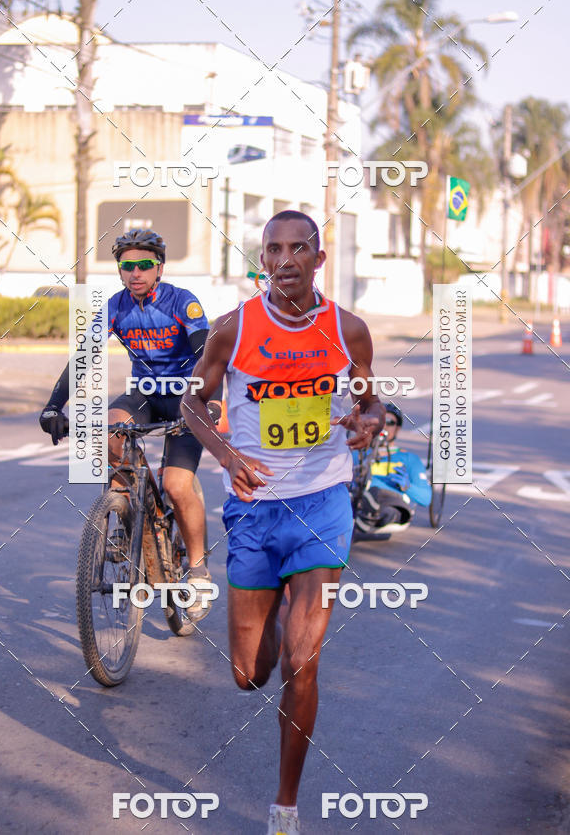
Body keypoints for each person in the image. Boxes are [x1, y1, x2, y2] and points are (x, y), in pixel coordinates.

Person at [181, 210, 385, 834]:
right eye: (275, 249)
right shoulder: (231, 329)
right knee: (250, 674)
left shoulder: (348, 329)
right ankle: (263, 620)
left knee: (304, 661)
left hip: (322, 501)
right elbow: (193, 400)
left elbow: (370, 396)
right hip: (252, 509)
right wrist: (226, 452)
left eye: (300, 248)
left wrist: (368, 420)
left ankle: (284, 807)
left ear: (318, 260)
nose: (287, 259)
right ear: (263, 259)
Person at [39, 228, 221, 621]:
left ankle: (198, 570)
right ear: (120, 271)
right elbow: (84, 357)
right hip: (143, 393)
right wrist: (55, 405)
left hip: (186, 397)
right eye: (127, 266)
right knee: (111, 432)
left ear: (159, 268)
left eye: (144, 265)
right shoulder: (115, 306)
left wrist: (214, 398)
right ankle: (122, 512)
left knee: (175, 483)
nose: (135, 273)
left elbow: (205, 352)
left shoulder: (181, 301)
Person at [353, 401, 431, 541]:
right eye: (380, 421)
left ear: (398, 429)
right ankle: (363, 516)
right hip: (357, 498)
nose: (384, 426)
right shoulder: (356, 453)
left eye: (390, 422)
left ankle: (365, 519)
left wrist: (408, 487)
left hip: (392, 502)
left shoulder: (409, 459)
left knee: (383, 504)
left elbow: (426, 498)